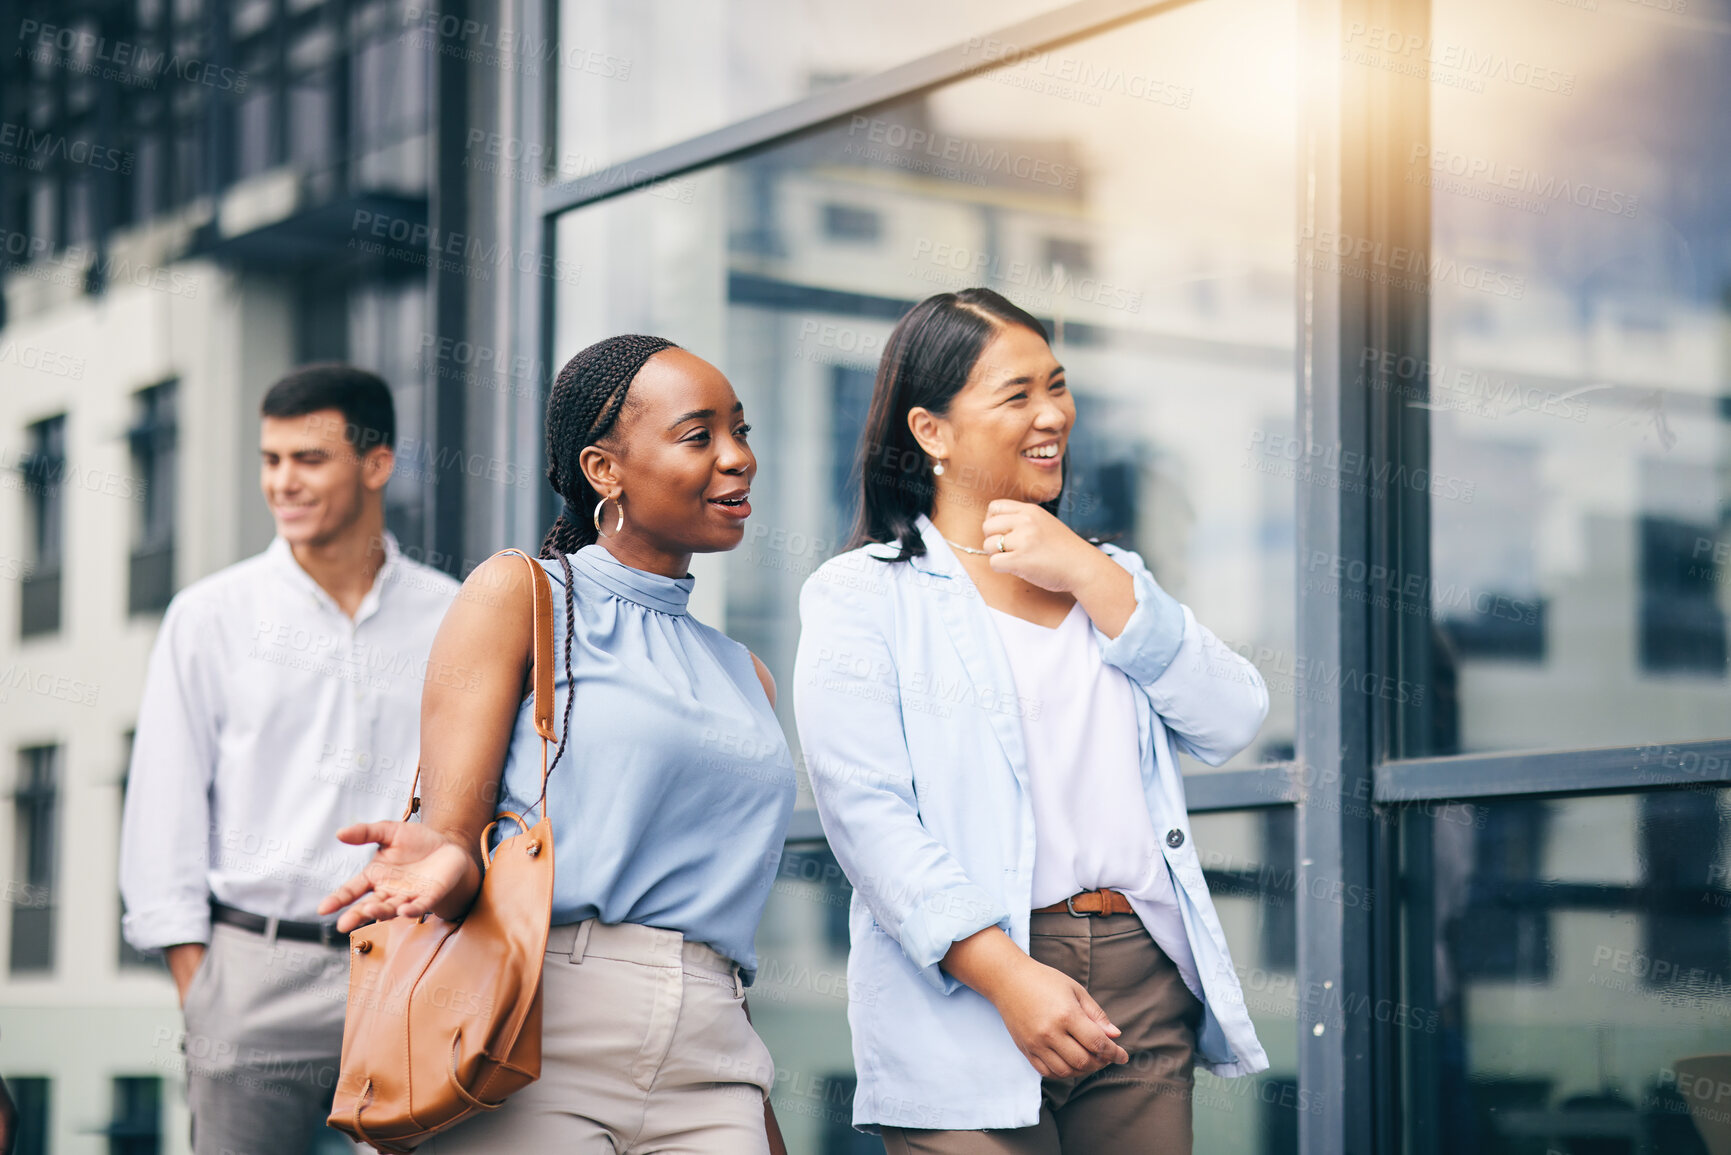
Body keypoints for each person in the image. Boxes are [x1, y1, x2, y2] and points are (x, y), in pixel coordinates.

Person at [793, 289, 1271, 1154]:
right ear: (931, 431)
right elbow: (867, 818)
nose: (1052, 413)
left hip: (1139, 975)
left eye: (1056, 385)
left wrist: (1087, 572)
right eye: (1016, 395)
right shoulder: (862, 594)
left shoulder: (1108, 577)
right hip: (970, 977)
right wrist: (1010, 976)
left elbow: (1231, 713)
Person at [319, 335, 795, 1154]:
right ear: (604, 470)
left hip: (714, 1048)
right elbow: (453, 828)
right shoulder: (525, 593)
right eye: (699, 435)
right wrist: (443, 857)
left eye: (741, 431)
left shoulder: (744, 673)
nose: (738, 458)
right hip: (543, 1029)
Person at [119, 365, 460, 1154]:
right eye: (271, 460)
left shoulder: (452, 615)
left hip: (406, 969)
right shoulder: (209, 616)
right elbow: (164, 804)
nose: (283, 482)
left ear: (377, 464)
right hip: (249, 970)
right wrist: (199, 986)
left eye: (308, 458)